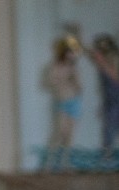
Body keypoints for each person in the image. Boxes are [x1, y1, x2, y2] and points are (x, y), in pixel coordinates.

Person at [42, 34, 81, 170]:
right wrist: (62, 81)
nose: (71, 55)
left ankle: (66, 162)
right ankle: (49, 161)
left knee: (69, 135)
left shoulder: (72, 68)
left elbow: (79, 86)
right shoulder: (55, 67)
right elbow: (48, 82)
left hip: (74, 102)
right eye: (69, 52)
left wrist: (74, 81)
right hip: (62, 102)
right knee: (59, 132)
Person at [89, 33, 119, 159]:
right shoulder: (103, 62)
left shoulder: (113, 60)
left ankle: (108, 154)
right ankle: (107, 155)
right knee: (108, 129)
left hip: (114, 98)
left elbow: (114, 77)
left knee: (112, 127)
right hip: (110, 100)